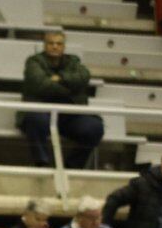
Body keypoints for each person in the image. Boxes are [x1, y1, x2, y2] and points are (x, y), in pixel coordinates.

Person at [18, 31, 103, 170]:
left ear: (64, 47)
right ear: (45, 45)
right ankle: (42, 163)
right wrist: (71, 88)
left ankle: (72, 166)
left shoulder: (74, 62)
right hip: (42, 112)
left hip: (69, 115)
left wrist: (60, 78)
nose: (55, 46)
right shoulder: (33, 62)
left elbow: (84, 77)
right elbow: (40, 85)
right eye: (51, 43)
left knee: (94, 127)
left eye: (59, 43)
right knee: (35, 119)